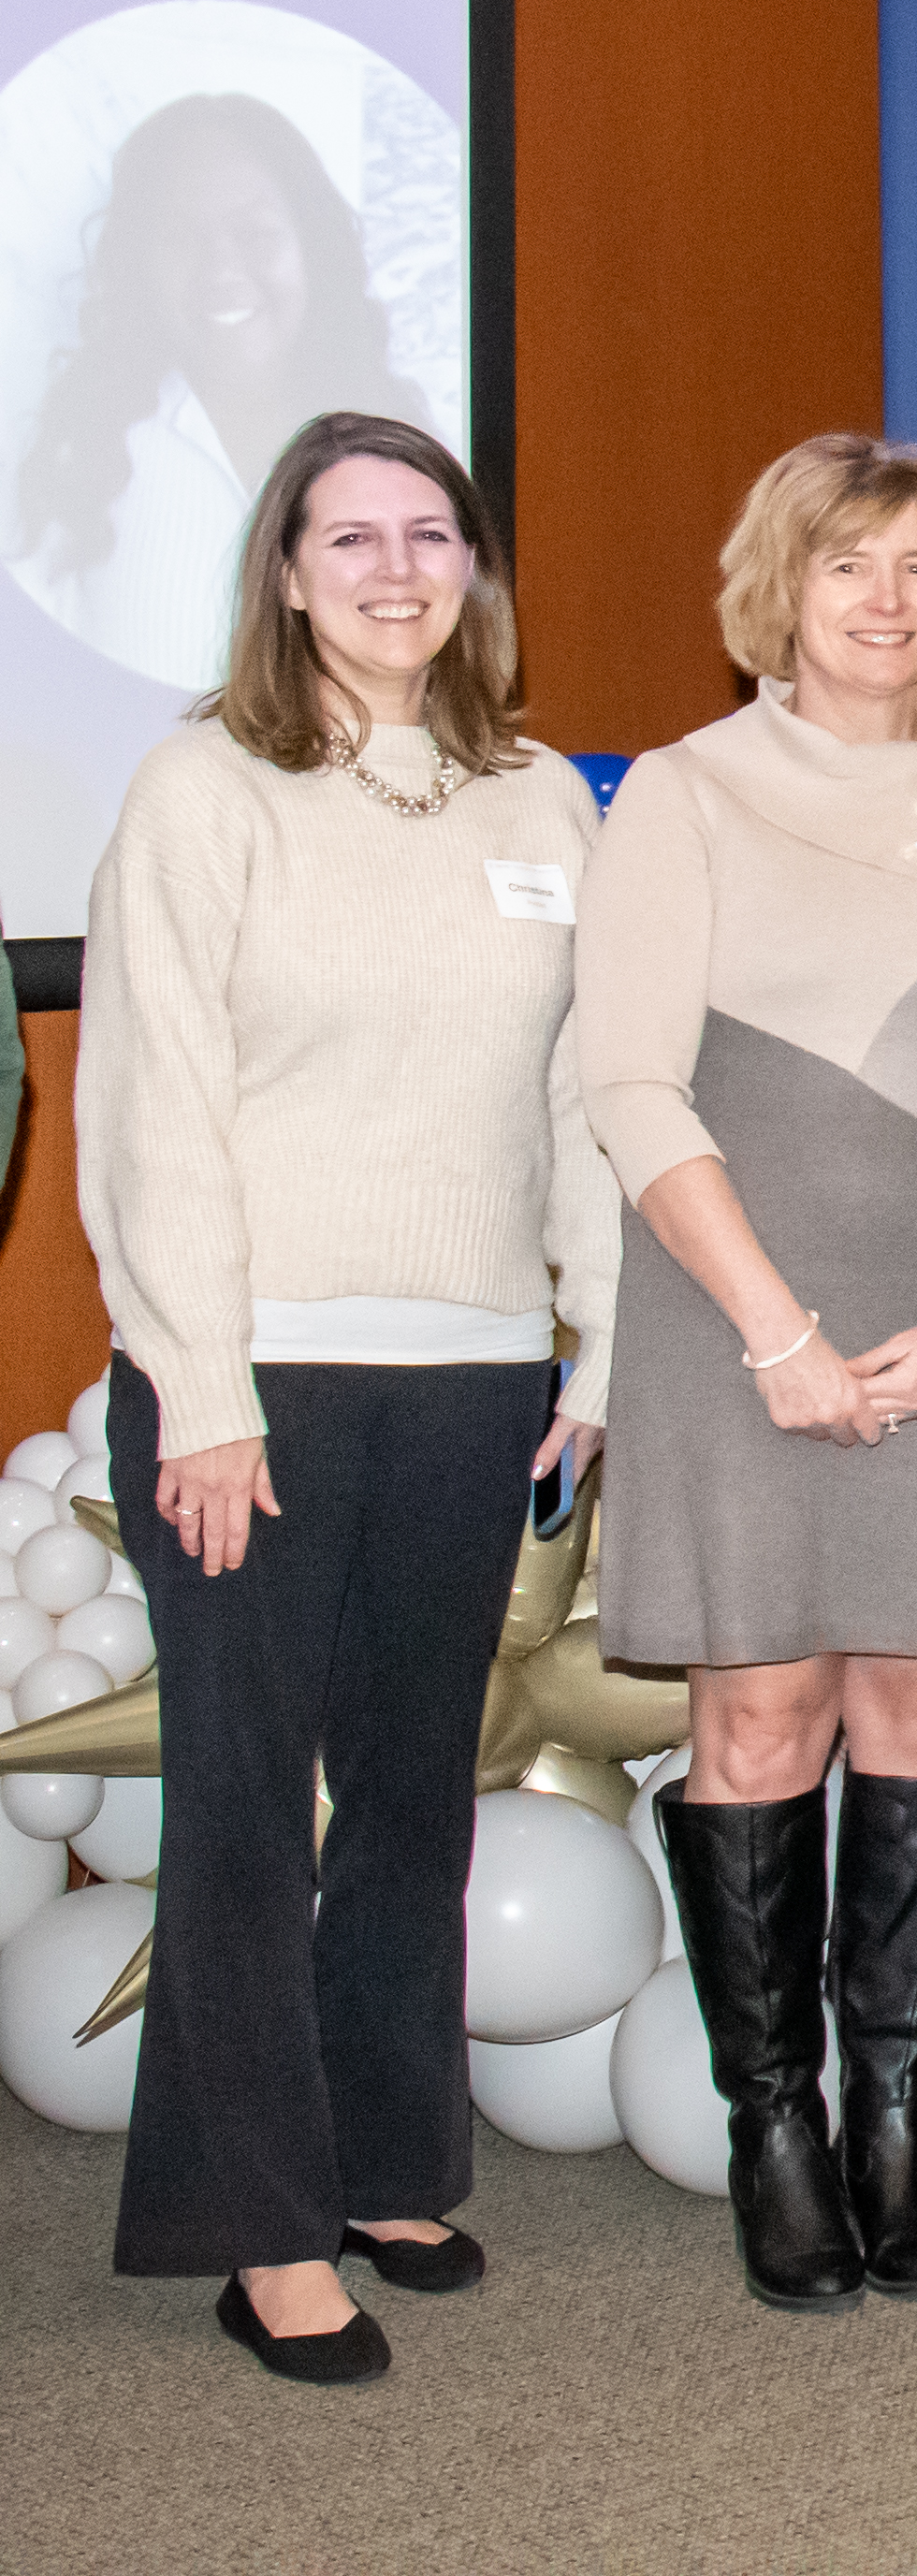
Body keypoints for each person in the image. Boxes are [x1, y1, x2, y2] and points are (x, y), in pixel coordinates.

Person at [79, 412, 611, 2383]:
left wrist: (604, 1348)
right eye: (349, 536)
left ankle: (389, 2156)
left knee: (414, 1793)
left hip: (474, 1373)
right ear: (285, 572)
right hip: (256, 1378)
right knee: (240, 1800)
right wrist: (201, 1387)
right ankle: (259, 2222)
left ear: (473, 568)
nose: (396, 568)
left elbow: (584, 1103)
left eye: (431, 533)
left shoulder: (543, 801)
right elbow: (153, 1110)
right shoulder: (204, 787)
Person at [585, 435, 917, 2314]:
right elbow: (629, 1081)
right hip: (730, 1314)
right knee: (760, 1716)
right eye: (847, 564)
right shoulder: (683, 792)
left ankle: (888, 2119)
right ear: (777, 586)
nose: (886, 600)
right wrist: (775, 1328)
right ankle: (769, 2129)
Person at [13, 93, 426, 690]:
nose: (222, 268)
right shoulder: (85, 452)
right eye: (183, 238)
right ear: (139, 266)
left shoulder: (399, 451)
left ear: (312, 250)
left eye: (255, 234)